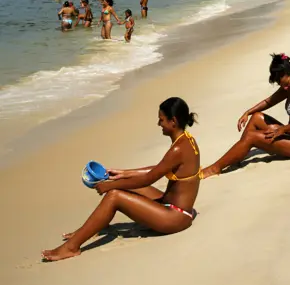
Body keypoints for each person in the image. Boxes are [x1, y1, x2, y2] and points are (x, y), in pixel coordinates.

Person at [41, 98, 200, 262]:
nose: (158, 124)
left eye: (161, 120)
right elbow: (161, 167)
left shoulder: (177, 149)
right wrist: (123, 173)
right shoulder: (187, 139)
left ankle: (71, 248)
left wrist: (110, 185)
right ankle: (90, 228)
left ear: (173, 121)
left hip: (175, 218)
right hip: (175, 208)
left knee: (114, 195)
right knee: (127, 188)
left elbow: (147, 179)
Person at [201, 54, 290, 179]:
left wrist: (282, 129)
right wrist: (248, 112)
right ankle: (238, 153)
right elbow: (269, 101)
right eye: (280, 85)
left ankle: (215, 168)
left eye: (285, 84)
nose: (284, 88)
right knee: (256, 117)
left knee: (251, 137)